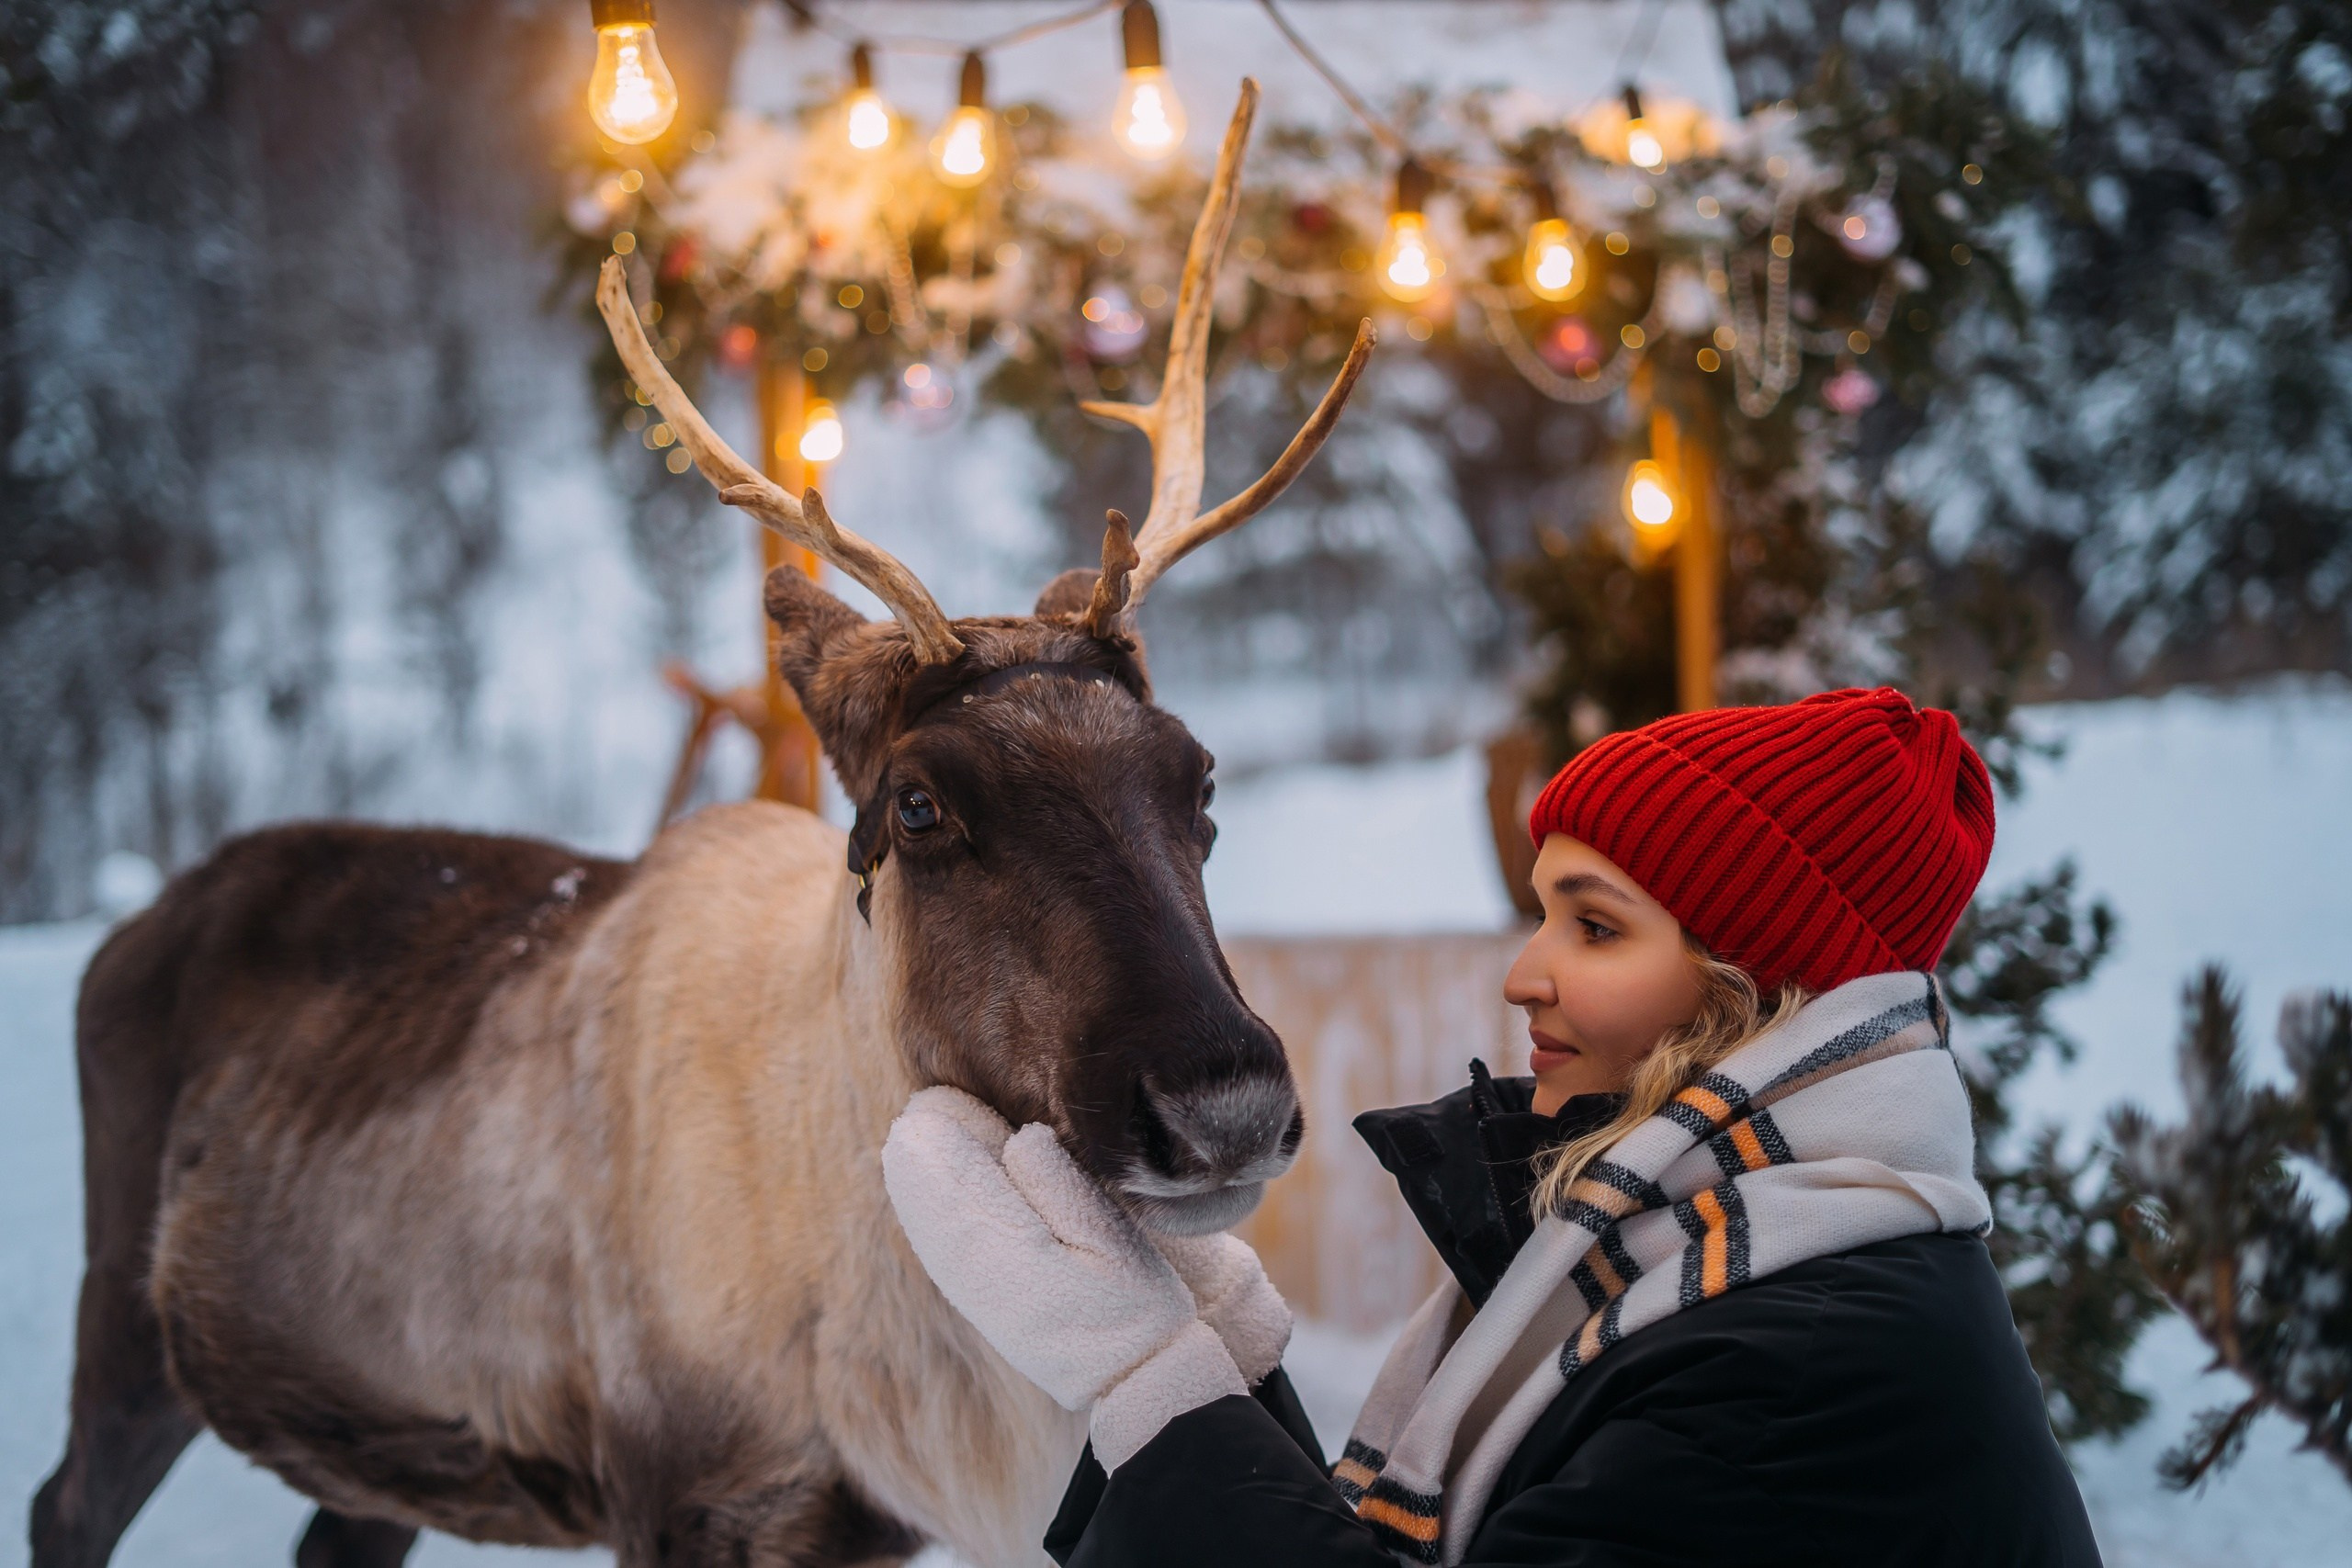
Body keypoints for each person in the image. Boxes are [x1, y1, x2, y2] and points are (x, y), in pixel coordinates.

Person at [883, 688, 2104, 1566]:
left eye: (1595, 926)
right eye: (1543, 916)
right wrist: (1235, 1362)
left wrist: (1145, 1376)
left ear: (1750, 980)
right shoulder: (1716, 1264)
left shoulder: (1818, 1369)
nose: (1525, 974)